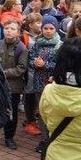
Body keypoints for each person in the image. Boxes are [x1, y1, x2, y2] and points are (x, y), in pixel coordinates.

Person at [0, 19, 27, 149]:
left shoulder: (21, 48)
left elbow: (21, 68)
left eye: (13, 29)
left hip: (13, 86)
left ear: (18, 32)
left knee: (11, 112)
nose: (9, 31)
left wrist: (4, 72)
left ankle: (9, 137)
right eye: (7, 28)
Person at [25, 15, 61, 146]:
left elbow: (59, 66)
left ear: (56, 29)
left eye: (51, 28)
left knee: (53, 111)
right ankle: (45, 138)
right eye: (45, 28)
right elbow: (30, 60)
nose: (48, 31)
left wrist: (45, 64)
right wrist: (35, 63)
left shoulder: (59, 45)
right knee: (41, 111)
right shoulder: (37, 44)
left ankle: (53, 137)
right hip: (39, 82)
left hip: (52, 84)